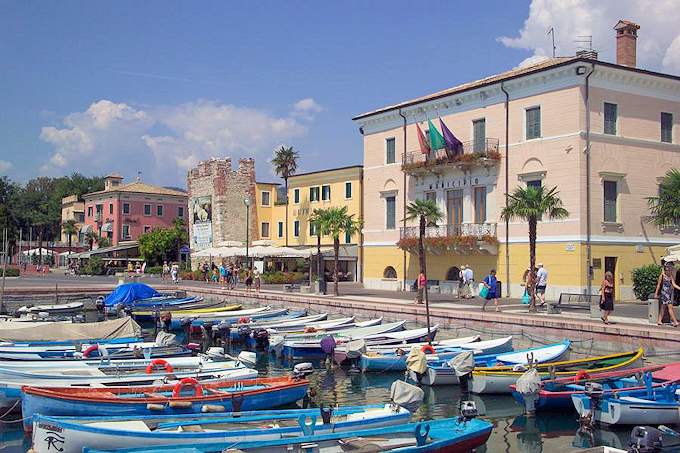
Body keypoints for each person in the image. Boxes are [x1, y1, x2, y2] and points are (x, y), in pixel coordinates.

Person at [655, 262, 680, 327]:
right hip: (664, 294)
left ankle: (659, 320)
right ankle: (675, 322)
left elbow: (674, 285)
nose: (669, 268)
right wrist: (656, 294)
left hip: (669, 294)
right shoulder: (662, 276)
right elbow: (658, 285)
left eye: (670, 267)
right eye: (668, 267)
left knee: (663, 308)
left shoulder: (670, 276)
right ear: (666, 268)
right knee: (670, 307)